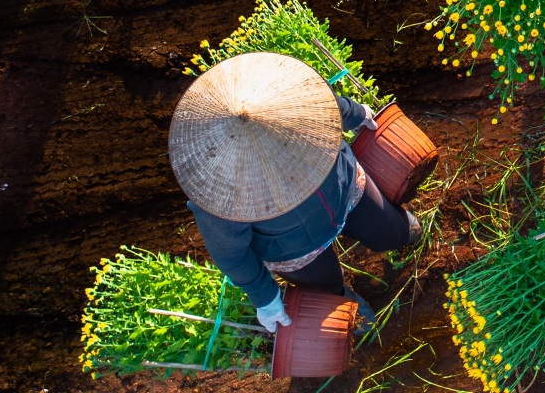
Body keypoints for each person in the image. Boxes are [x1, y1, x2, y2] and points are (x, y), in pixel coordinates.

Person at [169, 52, 419, 330]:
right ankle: (344, 300)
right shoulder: (216, 195)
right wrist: (265, 297)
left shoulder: (290, 99)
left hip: (344, 190)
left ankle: (401, 230)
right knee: (329, 288)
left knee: (393, 233)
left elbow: (327, 106)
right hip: (294, 248)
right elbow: (231, 254)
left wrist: (356, 113)